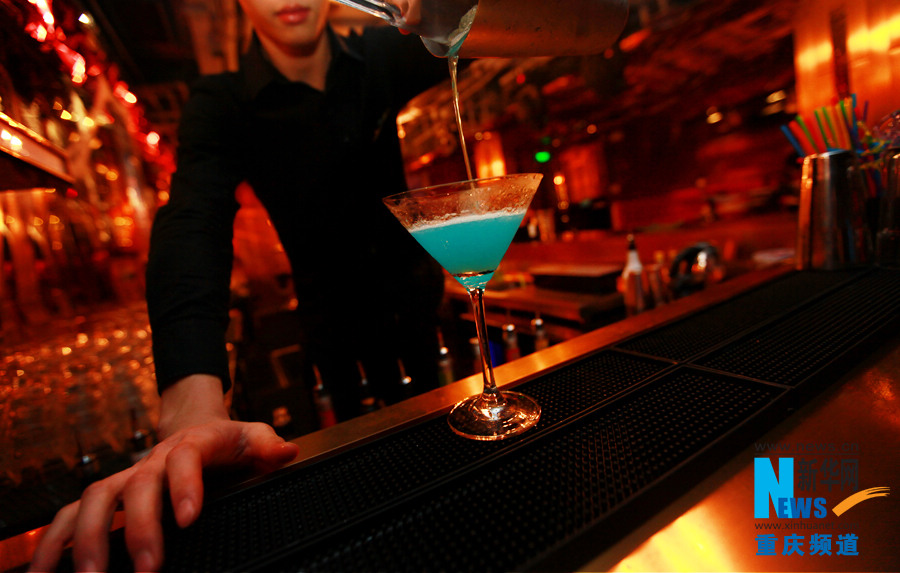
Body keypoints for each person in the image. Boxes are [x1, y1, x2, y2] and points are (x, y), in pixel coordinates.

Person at [31, 0, 452, 570]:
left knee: (449, 464)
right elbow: (192, 223)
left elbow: (489, 24)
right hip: (332, 339)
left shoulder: (383, 54)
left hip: (420, 319)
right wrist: (189, 411)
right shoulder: (223, 100)